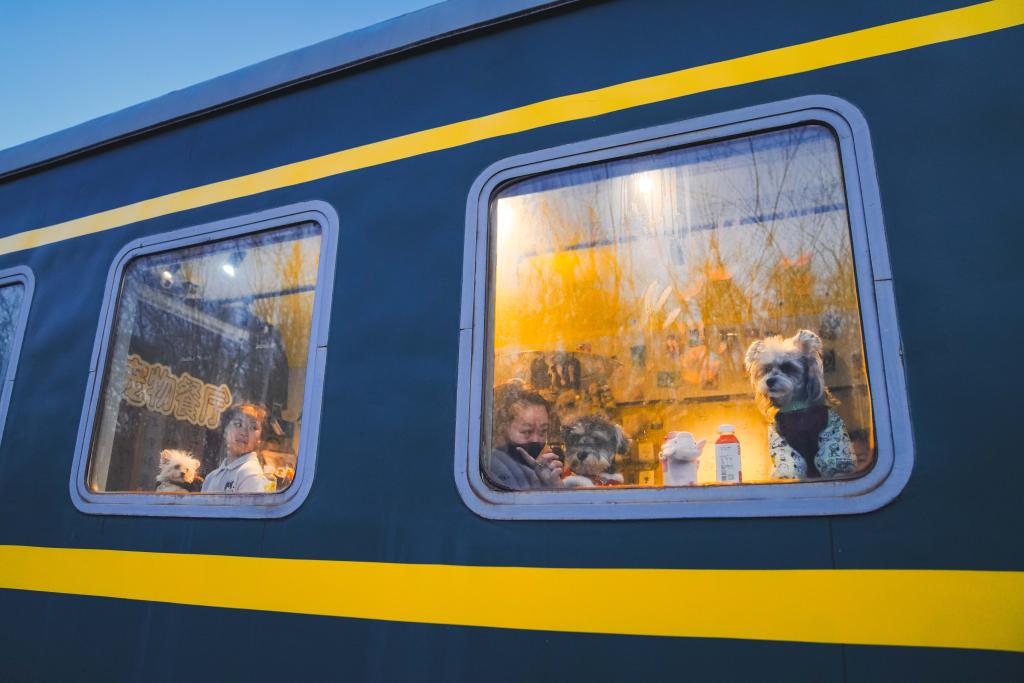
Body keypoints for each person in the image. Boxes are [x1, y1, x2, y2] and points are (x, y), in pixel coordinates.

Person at [486, 381, 563, 489]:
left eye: (543, 431)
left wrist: (550, 485)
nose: (536, 439)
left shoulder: (534, 471)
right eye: (527, 432)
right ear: (503, 429)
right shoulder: (493, 469)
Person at [201, 402, 273, 493]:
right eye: (238, 424)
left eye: (253, 427)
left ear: (260, 439)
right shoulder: (211, 477)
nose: (244, 432)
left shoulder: (251, 473)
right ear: (225, 430)